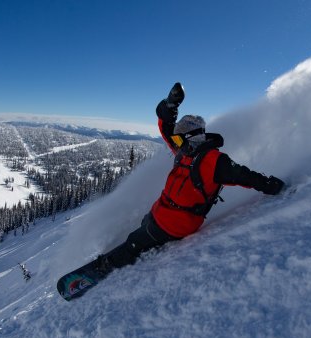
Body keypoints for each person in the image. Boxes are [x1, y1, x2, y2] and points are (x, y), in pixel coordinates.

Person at [96, 83, 285, 271]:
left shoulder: (214, 161)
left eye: (179, 139)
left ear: (192, 137)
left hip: (179, 222)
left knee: (135, 241)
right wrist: (169, 106)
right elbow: (167, 130)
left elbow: (246, 176)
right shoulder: (185, 150)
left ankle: (106, 267)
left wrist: (269, 184)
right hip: (162, 210)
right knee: (146, 223)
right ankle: (146, 244)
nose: (175, 143)